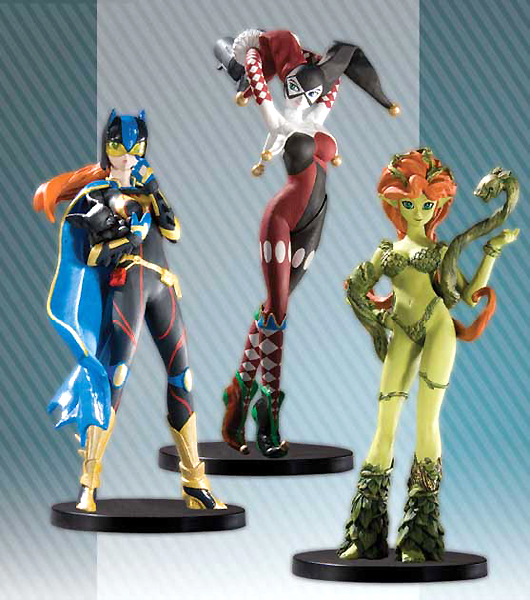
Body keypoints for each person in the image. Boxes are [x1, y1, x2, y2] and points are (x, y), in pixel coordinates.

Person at [217, 29, 398, 457]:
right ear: (286, 85)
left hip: (314, 222)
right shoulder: (279, 122)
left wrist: (328, 66)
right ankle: (268, 413)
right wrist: (253, 53)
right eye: (296, 88)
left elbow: (335, 79)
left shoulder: (319, 118)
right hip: (281, 220)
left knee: (274, 308)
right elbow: (257, 72)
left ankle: (240, 391)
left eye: (310, 91)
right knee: (279, 310)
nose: (303, 98)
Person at [34, 110, 225, 511]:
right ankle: (88, 483)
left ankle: (194, 482)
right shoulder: (96, 195)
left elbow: (173, 230)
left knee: (183, 377)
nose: (126, 155)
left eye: (134, 147)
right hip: (128, 286)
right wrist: (128, 239)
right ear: (107, 147)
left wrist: (153, 189)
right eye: (118, 146)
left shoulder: (146, 190)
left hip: (162, 285)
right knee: (113, 377)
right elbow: (92, 254)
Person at [338, 148, 519, 562]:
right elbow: (356, 288)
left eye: (425, 204)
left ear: (438, 204)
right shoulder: (388, 251)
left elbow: (468, 296)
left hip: (437, 327)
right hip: (402, 329)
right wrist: (372, 317)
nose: (418, 211)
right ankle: (365, 533)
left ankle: (419, 536)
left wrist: (491, 251)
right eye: (409, 203)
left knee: (426, 422)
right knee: (385, 424)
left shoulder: (440, 253)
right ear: (394, 202)